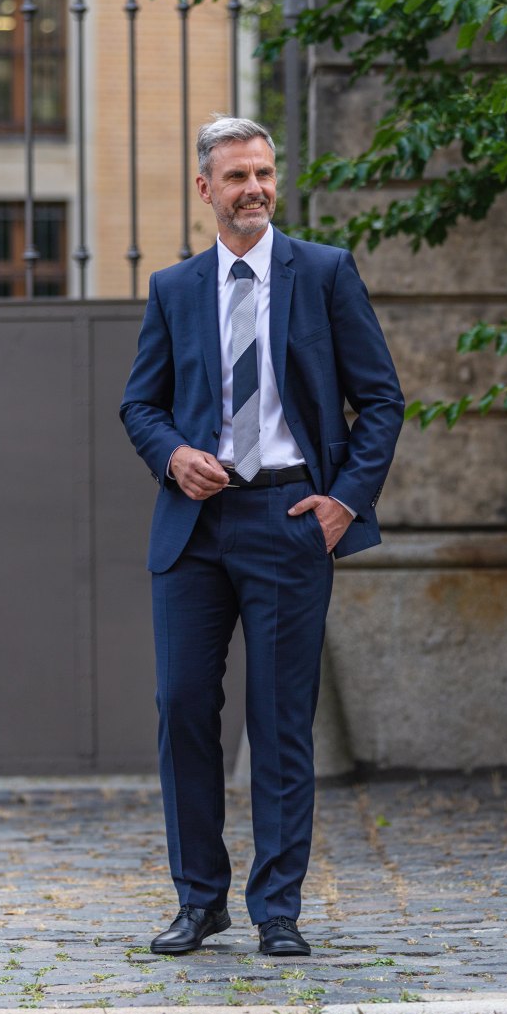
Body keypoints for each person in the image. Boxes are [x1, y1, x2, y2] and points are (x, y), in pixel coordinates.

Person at [120, 115, 403, 957]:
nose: (253, 189)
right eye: (236, 176)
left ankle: (278, 907)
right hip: (195, 529)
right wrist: (173, 457)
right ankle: (198, 900)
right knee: (181, 708)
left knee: (281, 719)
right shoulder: (175, 290)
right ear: (205, 189)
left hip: (289, 521)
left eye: (264, 174)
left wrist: (343, 501)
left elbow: (381, 399)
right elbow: (141, 404)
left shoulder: (322, 273)